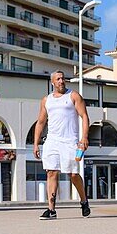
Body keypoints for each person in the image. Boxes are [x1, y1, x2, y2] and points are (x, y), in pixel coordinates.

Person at [32, 71, 91, 220]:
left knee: (73, 174)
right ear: (52, 82)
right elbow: (40, 122)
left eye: (63, 78)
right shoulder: (46, 100)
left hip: (70, 141)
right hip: (52, 141)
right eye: (58, 79)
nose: (61, 81)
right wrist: (36, 144)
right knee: (51, 172)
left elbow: (84, 116)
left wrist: (84, 138)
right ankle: (51, 209)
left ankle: (83, 201)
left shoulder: (74, 96)